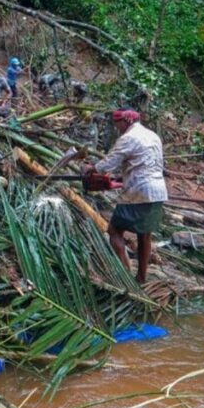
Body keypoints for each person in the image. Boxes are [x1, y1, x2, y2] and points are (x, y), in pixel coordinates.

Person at [87, 110, 167, 284]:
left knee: (114, 230)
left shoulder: (128, 138)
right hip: (158, 190)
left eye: (118, 124)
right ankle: (141, 278)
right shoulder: (152, 135)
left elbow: (110, 162)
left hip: (138, 191)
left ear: (125, 121)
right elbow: (143, 162)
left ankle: (125, 273)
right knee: (145, 235)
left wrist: (91, 169)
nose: (118, 128)